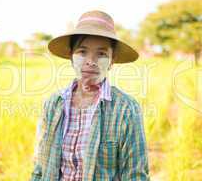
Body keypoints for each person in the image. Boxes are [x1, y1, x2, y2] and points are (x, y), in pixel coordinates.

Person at [30, 10, 150, 180]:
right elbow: (40, 167)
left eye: (101, 54)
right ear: (71, 56)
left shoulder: (126, 109)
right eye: (82, 52)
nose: (90, 61)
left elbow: (135, 175)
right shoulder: (53, 103)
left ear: (112, 60)